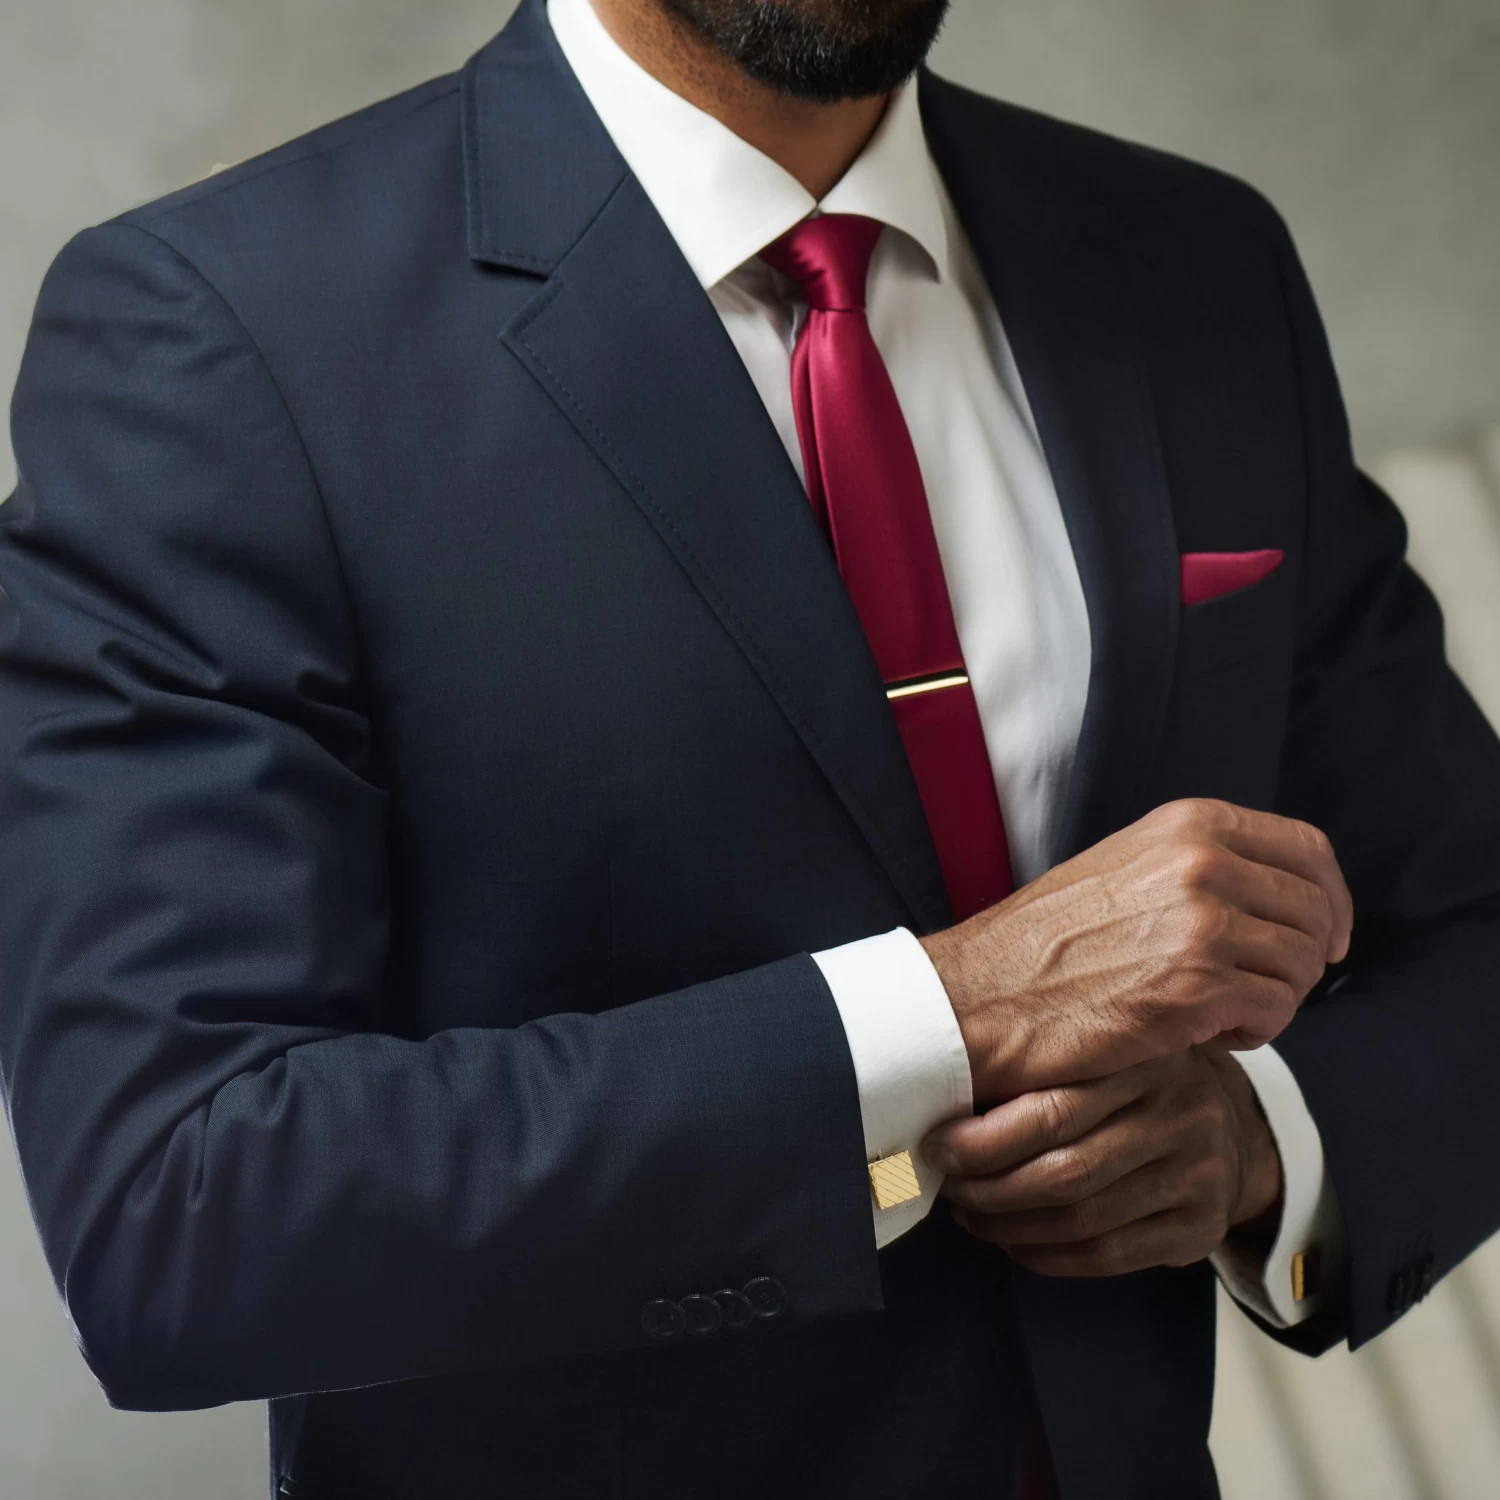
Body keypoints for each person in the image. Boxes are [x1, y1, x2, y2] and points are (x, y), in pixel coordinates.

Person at [2, 0, 1498, 1495]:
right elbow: (185, 1204)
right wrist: (955, 1014)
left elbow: (1473, 928)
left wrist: (1256, 1144)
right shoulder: (224, 328)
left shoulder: (1197, 259)